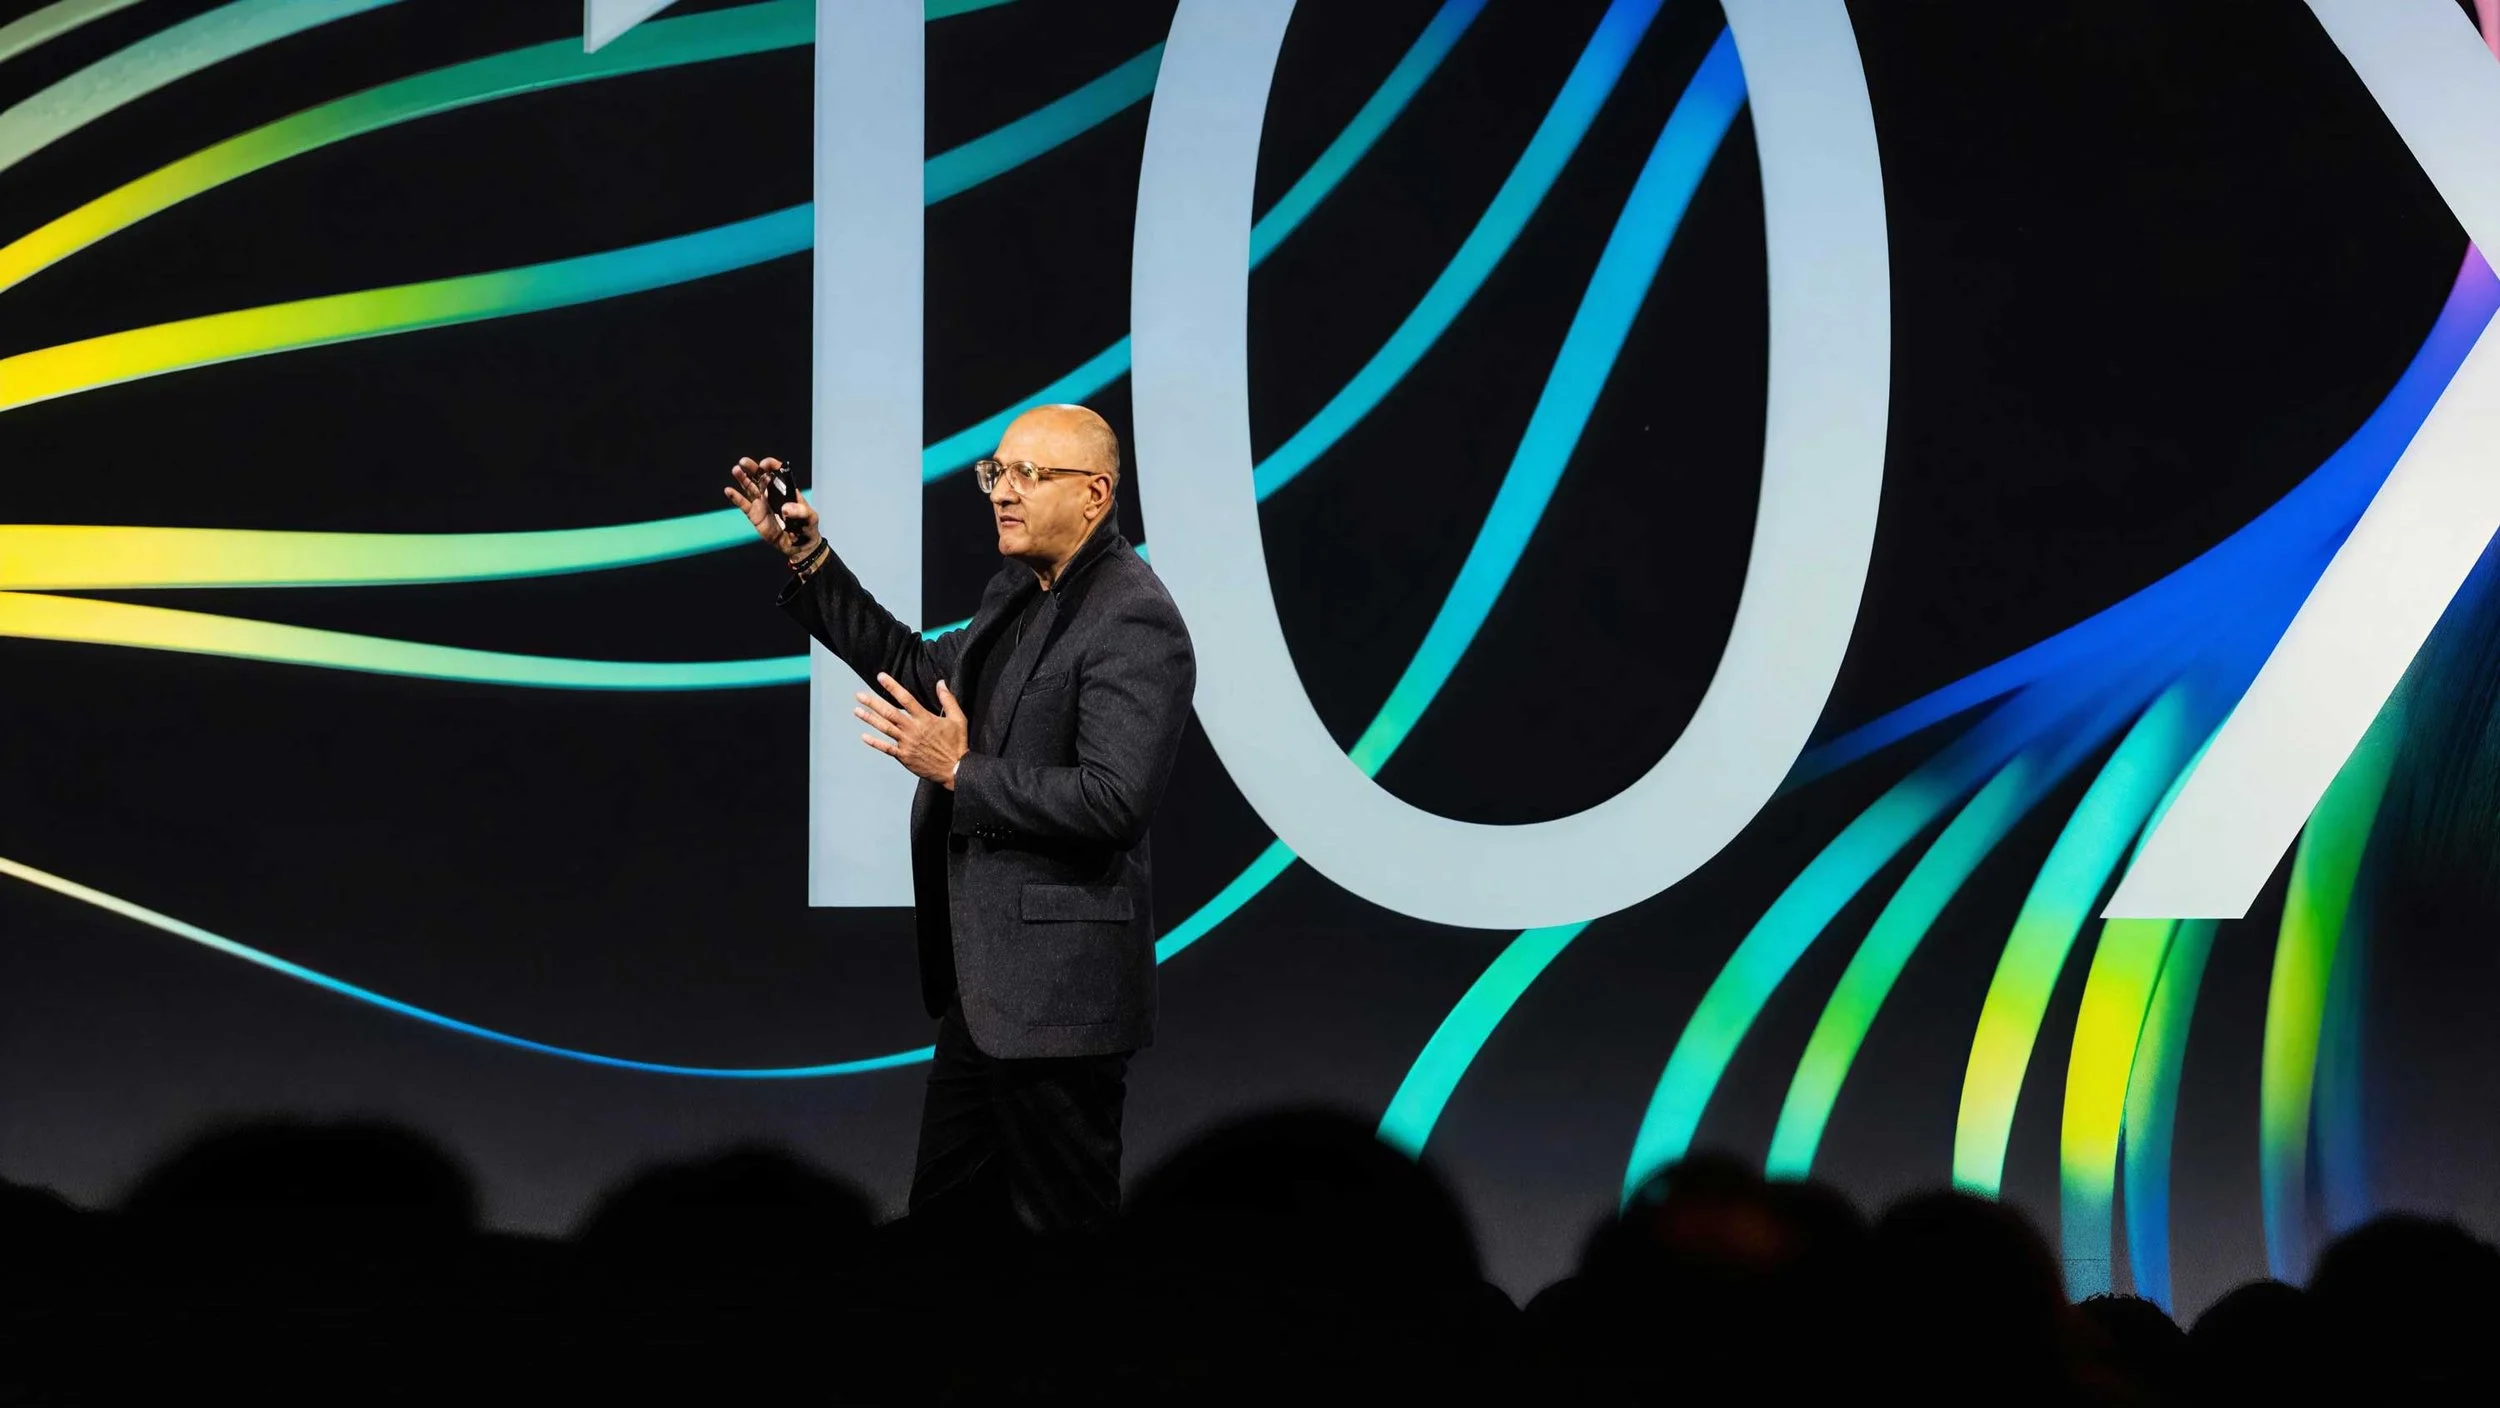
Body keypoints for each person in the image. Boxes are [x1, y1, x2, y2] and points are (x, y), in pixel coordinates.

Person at [723, 404, 1195, 1239]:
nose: (1002, 493)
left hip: (1060, 1005)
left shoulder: (1134, 617)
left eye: (1027, 476)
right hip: (985, 996)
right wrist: (808, 556)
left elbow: (1114, 801)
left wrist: (959, 771)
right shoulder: (1018, 591)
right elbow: (915, 667)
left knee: (1067, 1235)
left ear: (1094, 495)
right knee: (942, 1227)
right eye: (995, 473)